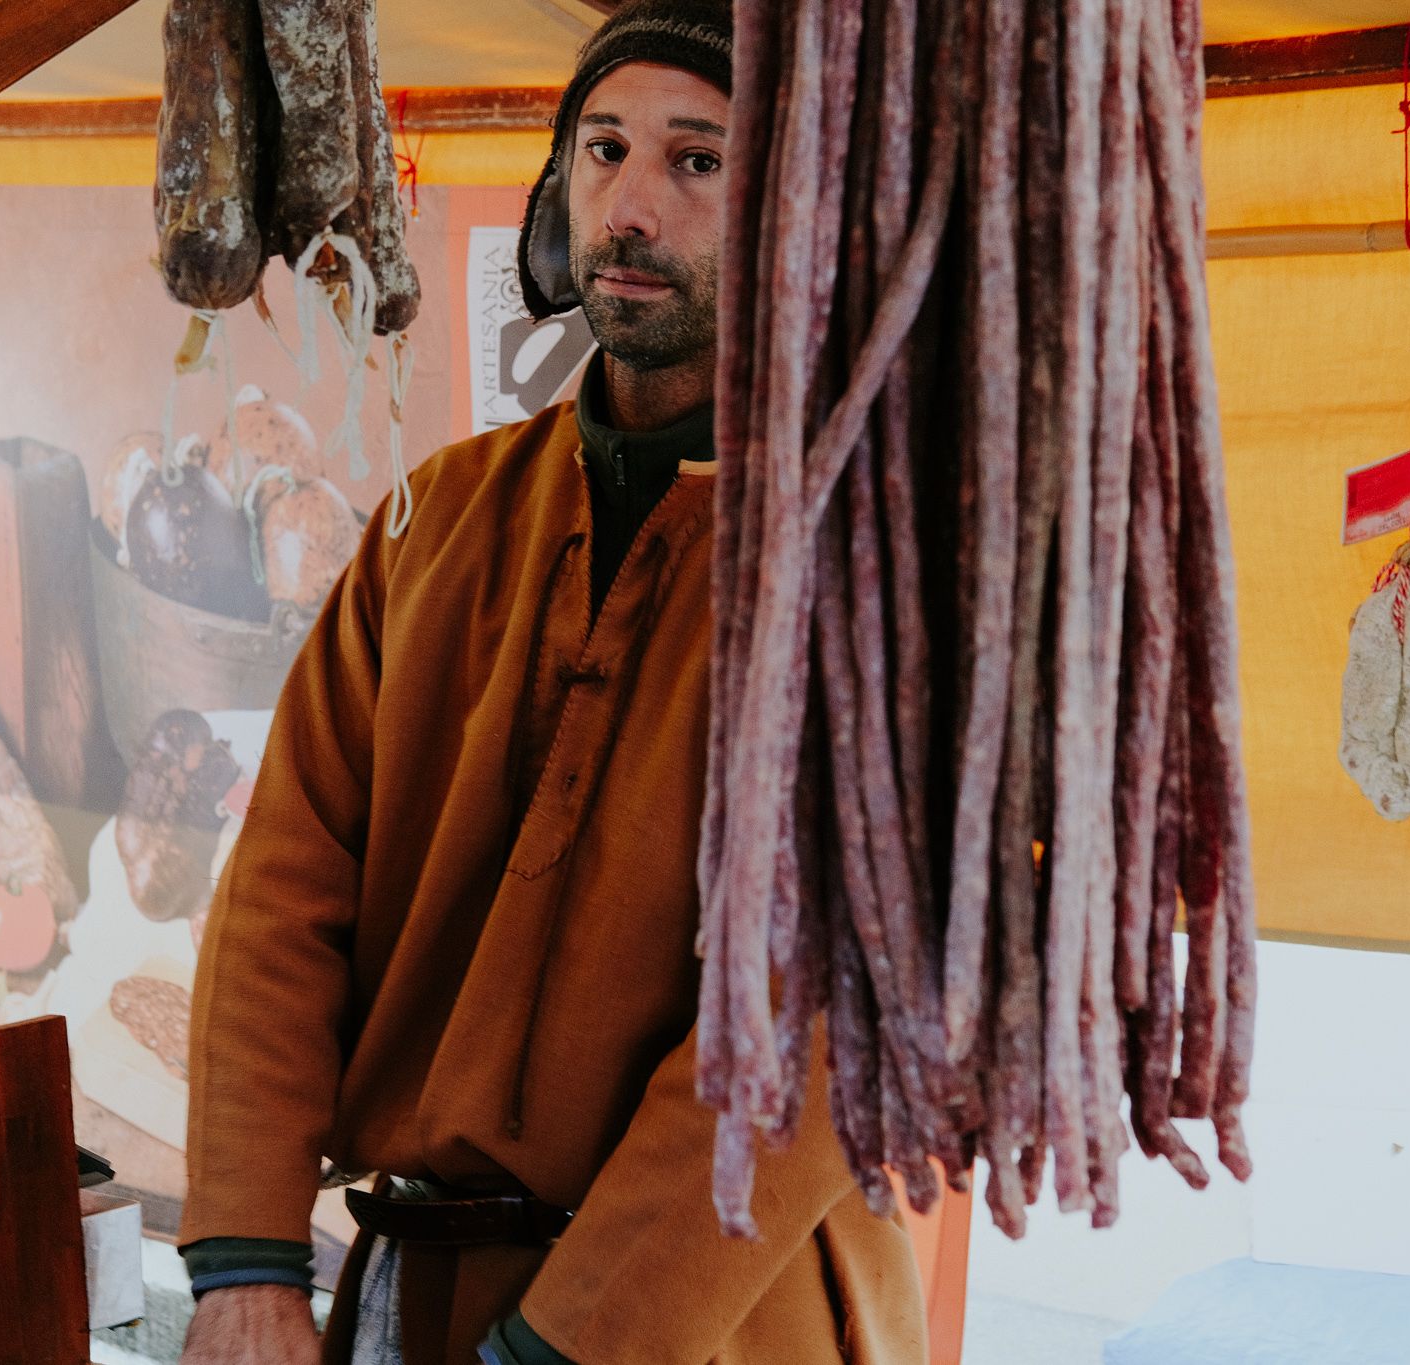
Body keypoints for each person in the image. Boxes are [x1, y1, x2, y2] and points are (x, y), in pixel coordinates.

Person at [177, 2, 926, 1361]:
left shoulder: (871, 571)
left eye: (699, 160)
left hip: (720, 1317)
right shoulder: (441, 519)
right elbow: (286, 885)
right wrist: (247, 1256)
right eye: (603, 149)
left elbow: (830, 1033)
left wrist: (571, 1343)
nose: (630, 206)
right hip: (413, 1280)